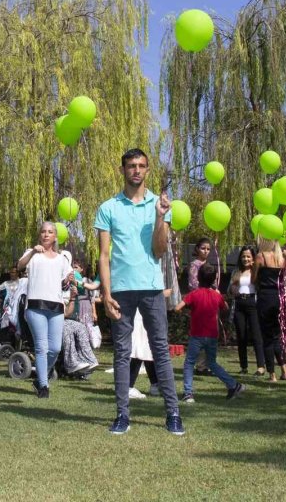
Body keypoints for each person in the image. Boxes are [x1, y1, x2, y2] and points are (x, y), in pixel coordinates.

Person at [95, 148, 184, 436]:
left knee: (160, 350)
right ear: (122, 170)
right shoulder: (108, 207)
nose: (136, 170)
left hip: (151, 289)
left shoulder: (159, 204)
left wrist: (160, 217)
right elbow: (104, 255)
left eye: (141, 165)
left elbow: (159, 250)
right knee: (122, 352)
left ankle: (173, 414)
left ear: (147, 170)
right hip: (121, 290)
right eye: (131, 165)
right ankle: (122, 415)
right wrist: (106, 294)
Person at [17, 221, 73, 398]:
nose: (46, 234)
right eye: (43, 232)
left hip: (56, 306)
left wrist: (70, 280)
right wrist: (33, 250)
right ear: (39, 235)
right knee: (41, 347)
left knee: (55, 348)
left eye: (50, 232)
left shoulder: (62, 258)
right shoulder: (32, 253)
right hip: (35, 305)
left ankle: (39, 378)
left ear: (55, 236)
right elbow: (19, 266)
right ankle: (43, 386)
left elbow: (67, 280)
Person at [176, 264, 246, 402]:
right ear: (214, 280)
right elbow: (225, 307)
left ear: (198, 278)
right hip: (212, 335)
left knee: (189, 363)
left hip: (197, 335)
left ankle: (188, 393)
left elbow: (178, 308)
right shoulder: (216, 295)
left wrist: (190, 309)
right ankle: (233, 385)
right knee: (212, 363)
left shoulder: (194, 294)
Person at [254, 238, 286, 382]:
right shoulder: (282, 258)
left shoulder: (261, 256)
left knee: (267, 337)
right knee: (277, 335)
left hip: (265, 297)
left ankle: (272, 374)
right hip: (279, 298)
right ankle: (285, 370)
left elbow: (254, 278)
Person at [229, 246, 265, 375]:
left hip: (253, 303)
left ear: (253, 258)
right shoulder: (236, 272)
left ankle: (261, 366)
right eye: (243, 256)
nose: (246, 259)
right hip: (239, 303)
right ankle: (243, 366)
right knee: (241, 336)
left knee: (256, 335)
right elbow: (230, 290)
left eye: (248, 256)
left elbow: (260, 287)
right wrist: (234, 288)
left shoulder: (258, 271)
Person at [61, 287, 100, 377]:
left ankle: (89, 360)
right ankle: (71, 362)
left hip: (63, 319)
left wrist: (72, 297)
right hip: (56, 321)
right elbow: (66, 314)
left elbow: (66, 314)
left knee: (81, 327)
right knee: (67, 327)